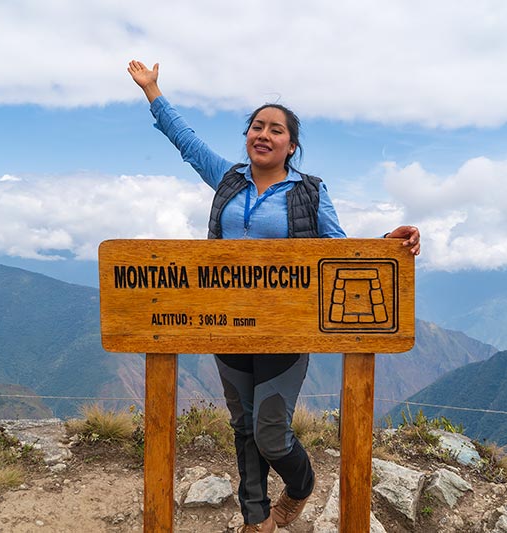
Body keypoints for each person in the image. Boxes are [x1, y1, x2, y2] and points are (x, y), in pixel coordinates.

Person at [128, 60, 420, 533]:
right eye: (257, 127)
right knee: (243, 428)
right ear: (247, 136)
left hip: (285, 331)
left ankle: (300, 488)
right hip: (226, 325)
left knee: (270, 432)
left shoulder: (308, 192)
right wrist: (153, 90)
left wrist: (386, 244)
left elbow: (338, 252)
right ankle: (256, 520)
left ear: (291, 144)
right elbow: (185, 142)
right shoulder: (228, 179)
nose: (264, 134)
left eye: (276, 129)